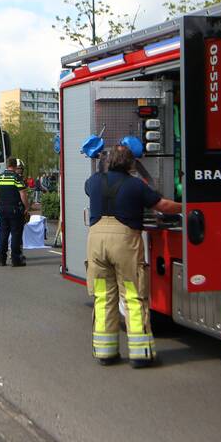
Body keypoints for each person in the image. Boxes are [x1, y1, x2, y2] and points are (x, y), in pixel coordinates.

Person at [84, 145, 179, 368]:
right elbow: (162, 205)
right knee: (133, 296)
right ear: (130, 164)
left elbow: (90, 186)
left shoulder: (94, 181)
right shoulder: (135, 185)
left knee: (103, 296)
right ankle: (140, 354)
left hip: (96, 242)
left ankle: (105, 352)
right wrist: (188, 206)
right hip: (124, 242)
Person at [0, 157, 28, 267]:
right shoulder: (16, 177)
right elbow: (22, 193)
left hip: (2, 209)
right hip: (14, 209)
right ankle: (15, 259)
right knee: (15, 234)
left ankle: (2, 259)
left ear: (7, 165)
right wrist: (26, 206)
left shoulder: (0, 178)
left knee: (3, 234)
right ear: (14, 166)